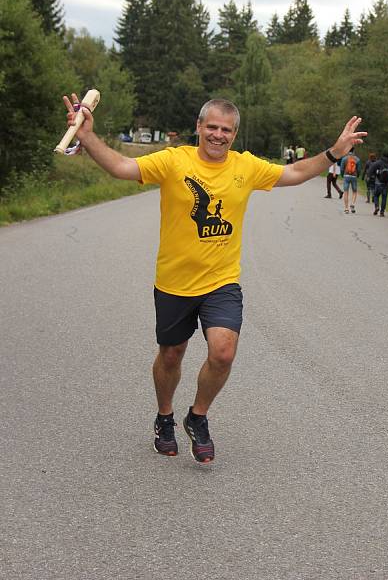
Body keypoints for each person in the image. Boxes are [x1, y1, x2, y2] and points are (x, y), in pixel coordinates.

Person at [62, 94, 367, 464]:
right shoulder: (174, 161)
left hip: (221, 282)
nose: (218, 135)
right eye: (212, 127)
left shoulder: (246, 167)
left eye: (225, 129)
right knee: (171, 355)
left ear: (234, 134)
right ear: (199, 128)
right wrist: (90, 138)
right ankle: (164, 416)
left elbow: (295, 173)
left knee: (222, 353)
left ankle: (198, 416)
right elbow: (122, 167)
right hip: (174, 282)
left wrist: (334, 152)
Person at [368, 152, 388, 217]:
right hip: (386, 183)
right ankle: (382, 212)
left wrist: (370, 176)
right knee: (384, 197)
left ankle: (376, 207)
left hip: (378, 182)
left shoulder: (378, 162)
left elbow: (371, 169)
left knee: (376, 195)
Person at [340, 149, 361, 213]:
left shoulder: (344, 159)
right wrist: (357, 175)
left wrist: (342, 175)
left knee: (346, 192)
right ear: (354, 151)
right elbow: (359, 169)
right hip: (354, 177)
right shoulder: (357, 159)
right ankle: (352, 204)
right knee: (354, 191)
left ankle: (346, 208)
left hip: (346, 176)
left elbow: (341, 168)